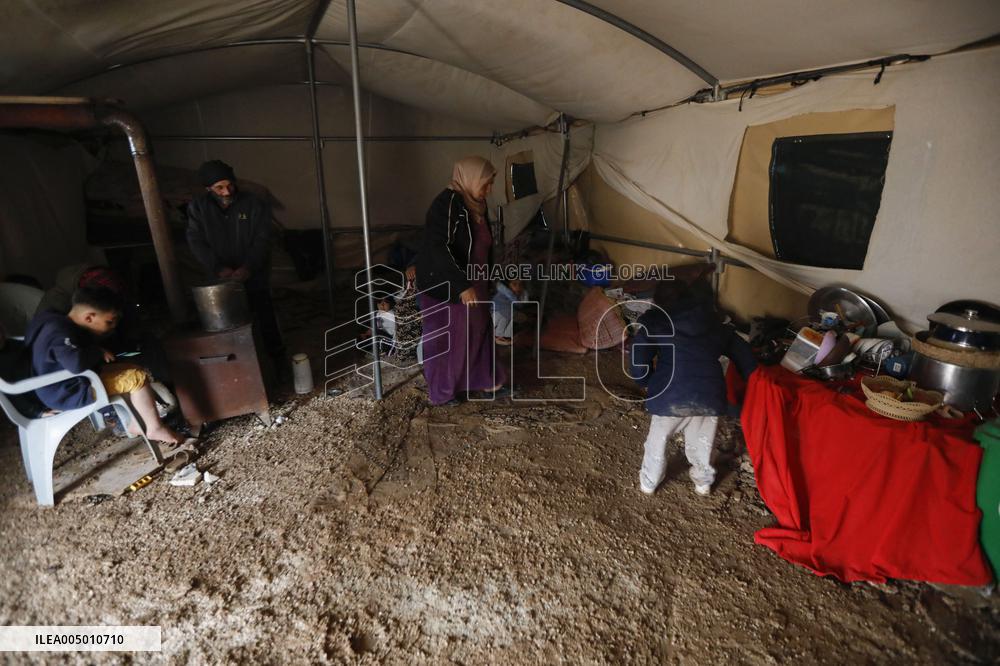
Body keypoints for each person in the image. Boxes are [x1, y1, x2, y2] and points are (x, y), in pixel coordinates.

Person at [628, 279, 756, 496]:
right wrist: (751, 379)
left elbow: (639, 358)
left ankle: (649, 483)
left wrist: (644, 381)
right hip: (709, 396)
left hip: (669, 395)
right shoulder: (716, 324)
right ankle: (703, 483)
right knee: (702, 443)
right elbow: (747, 359)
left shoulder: (655, 321)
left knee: (657, 442)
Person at [24, 286, 185, 445]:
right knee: (136, 378)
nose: (113, 326)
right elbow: (76, 364)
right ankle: (154, 428)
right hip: (68, 391)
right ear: (89, 317)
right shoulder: (61, 333)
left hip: (58, 384)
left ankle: (137, 422)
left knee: (132, 368)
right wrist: (97, 352)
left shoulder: (51, 318)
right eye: (109, 321)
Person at [415, 156, 507, 406]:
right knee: (449, 340)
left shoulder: (476, 205)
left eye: (491, 183)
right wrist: (461, 285)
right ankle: (443, 392)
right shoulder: (447, 204)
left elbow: (482, 248)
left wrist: (487, 281)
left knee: (478, 332)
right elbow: (438, 247)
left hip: (474, 283)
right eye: (486, 183)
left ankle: (487, 382)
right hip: (448, 286)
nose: (490, 189)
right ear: (470, 178)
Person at [186, 160, 284, 364]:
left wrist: (248, 266)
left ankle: (275, 358)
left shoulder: (253, 203)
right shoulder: (199, 207)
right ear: (208, 188)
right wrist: (218, 268)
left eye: (229, 185)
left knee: (263, 314)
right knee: (228, 320)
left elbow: (262, 238)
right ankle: (241, 362)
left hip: (253, 272)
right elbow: (196, 241)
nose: (226, 191)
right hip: (221, 277)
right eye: (219, 187)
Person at [491, 278, 528, 345]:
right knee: (522, 318)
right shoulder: (506, 293)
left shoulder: (504, 291)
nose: (518, 287)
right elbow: (519, 304)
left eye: (520, 285)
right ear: (508, 285)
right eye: (514, 284)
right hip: (498, 315)